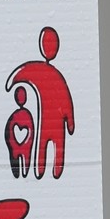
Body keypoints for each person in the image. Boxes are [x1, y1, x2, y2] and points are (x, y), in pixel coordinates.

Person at [5, 26, 74, 179]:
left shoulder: (45, 71)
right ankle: (47, 171)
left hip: (48, 123)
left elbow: (23, 73)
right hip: (52, 124)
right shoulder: (53, 74)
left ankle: (45, 171)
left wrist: (11, 83)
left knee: (45, 148)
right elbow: (66, 101)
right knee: (53, 148)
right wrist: (70, 123)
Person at [4, 86, 35, 178]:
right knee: (24, 161)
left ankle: (20, 173)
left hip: (18, 143)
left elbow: (9, 130)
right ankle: (22, 173)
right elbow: (31, 132)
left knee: (18, 161)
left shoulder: (16, 115)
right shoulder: (27, 115)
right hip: (20, 143)